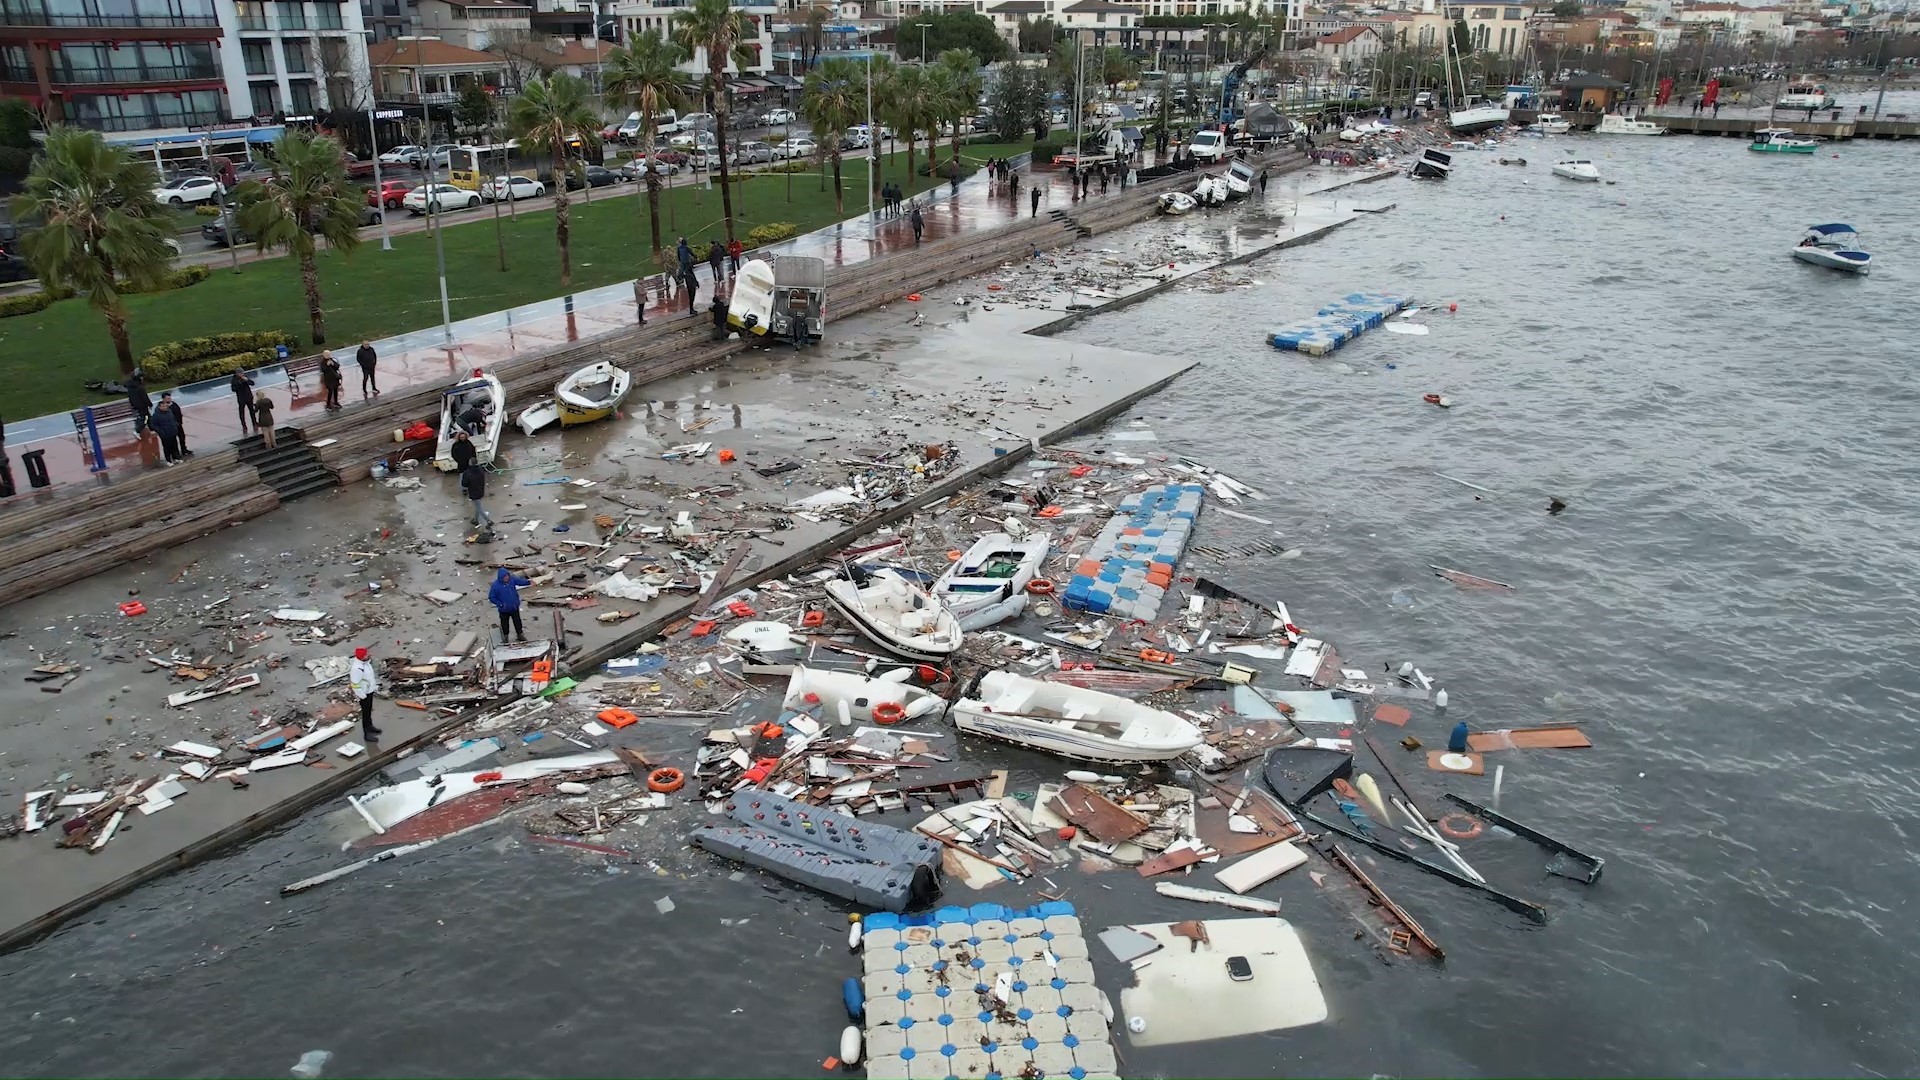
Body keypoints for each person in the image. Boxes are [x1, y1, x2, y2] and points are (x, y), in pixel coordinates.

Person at [489, 567, 531, 644]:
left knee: (517, 622)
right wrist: (500, 604)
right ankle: (505, 637)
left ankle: (520, 634)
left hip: (514, 607)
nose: (507, 578)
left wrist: (529, 582)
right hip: (504, 610)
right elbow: (492, 597)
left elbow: (520, 581)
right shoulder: (496, 586)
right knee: (505, 624)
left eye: (507, 576)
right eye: (505, 577)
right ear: (501, 577)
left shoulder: (511, 580)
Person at [349, 646, 381, 739]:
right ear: (362, 657)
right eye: (366, 654)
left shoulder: (366, 664)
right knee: (365, 713)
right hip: (364, 694)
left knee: (369, 712)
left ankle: (370, 727)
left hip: (369, 691)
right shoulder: (357, 669)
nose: (369, 655)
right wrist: (362, 695)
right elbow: (354, 684)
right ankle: (367, 734)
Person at [149, 393, 182, 465]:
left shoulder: (169, 412)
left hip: (173, 432)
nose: (165, 407)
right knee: (167, 448)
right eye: (163, 406)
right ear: (159, 407)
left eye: (165, 406)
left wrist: (175, 426)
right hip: (165, 434)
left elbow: (173, 419)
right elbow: (154, 425)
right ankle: (168, 460)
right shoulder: (156, 415)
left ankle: (176, 458)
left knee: (175, 446)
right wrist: (161, 432)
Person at [158, 391, 189, 458]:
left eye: (170, 398)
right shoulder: (162, 407)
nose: (169, 399)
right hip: (170, 427)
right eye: (167, 398)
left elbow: (179, 413)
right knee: (173, 441)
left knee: (182, 438)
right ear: (163, 399)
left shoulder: (174, 404)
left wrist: (179, 422)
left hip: (178, 425)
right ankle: (176, 454)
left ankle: (184, 449)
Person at [461, 460, 491, 527]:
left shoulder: (468, 473)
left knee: (479, 508)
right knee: (477, 506)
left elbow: (464, 484)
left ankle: (488, 520)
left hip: (473, 491)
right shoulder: (481, 470)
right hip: (480, 490)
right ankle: (475, 520)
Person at [126, 369, 152, 434]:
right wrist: (150, 404)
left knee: (147, 416)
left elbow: (130, 397)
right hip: (142, 406)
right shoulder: (140, 387)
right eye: (141, 377)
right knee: (145, 418)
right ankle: (138, 430)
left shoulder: (130, 387)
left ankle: (152, 428)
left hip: (136, 406)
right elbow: (144, 397)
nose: (142, 378)